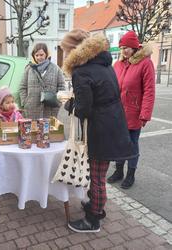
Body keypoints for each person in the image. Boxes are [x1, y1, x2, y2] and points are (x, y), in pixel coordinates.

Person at [60, 29, 137, 233]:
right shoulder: (103, 63)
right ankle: (97, 207)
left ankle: (93, 219)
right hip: (113, 123)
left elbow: (84, 108)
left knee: (97, 177)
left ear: (74, 50)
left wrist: (70, 104)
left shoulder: (81, 71)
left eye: (66, 51)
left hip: (102, 128)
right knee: (99, 174)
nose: (66, 55)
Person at [107, 31, 155, 189]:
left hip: (134, 113)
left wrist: (145, 114)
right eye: (121, 48)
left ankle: (130, 174)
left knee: (132, 144)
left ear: (135, 47)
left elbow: (149, 90)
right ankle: (119, 171)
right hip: (117, 114)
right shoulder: (118, 64)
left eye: (127, 47)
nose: (123, 51)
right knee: (119, 144)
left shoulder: (145, 63)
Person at [19, 43, 66, 119]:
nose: (39, 57)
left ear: (46, 54)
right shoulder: (29, 69)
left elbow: (62, 87)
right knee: (33, 130)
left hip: (50, 109)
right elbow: (23, 87)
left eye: (41, 55)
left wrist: (58, 102)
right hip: (31, 108)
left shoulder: (56, 69)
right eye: (36, 55)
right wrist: (25, 102)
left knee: (48, 130)